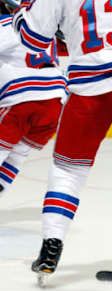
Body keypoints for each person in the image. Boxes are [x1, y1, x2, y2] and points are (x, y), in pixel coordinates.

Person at [13, 0, 112, 287]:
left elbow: (33, 40)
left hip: (91, 86)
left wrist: (20, 15)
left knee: (68, 171)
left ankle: (51, 247)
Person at [0, 4, 67, 200]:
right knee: (19, 153)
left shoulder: (6, 25)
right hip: (56, 100)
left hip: (22, 98)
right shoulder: (46, 29)